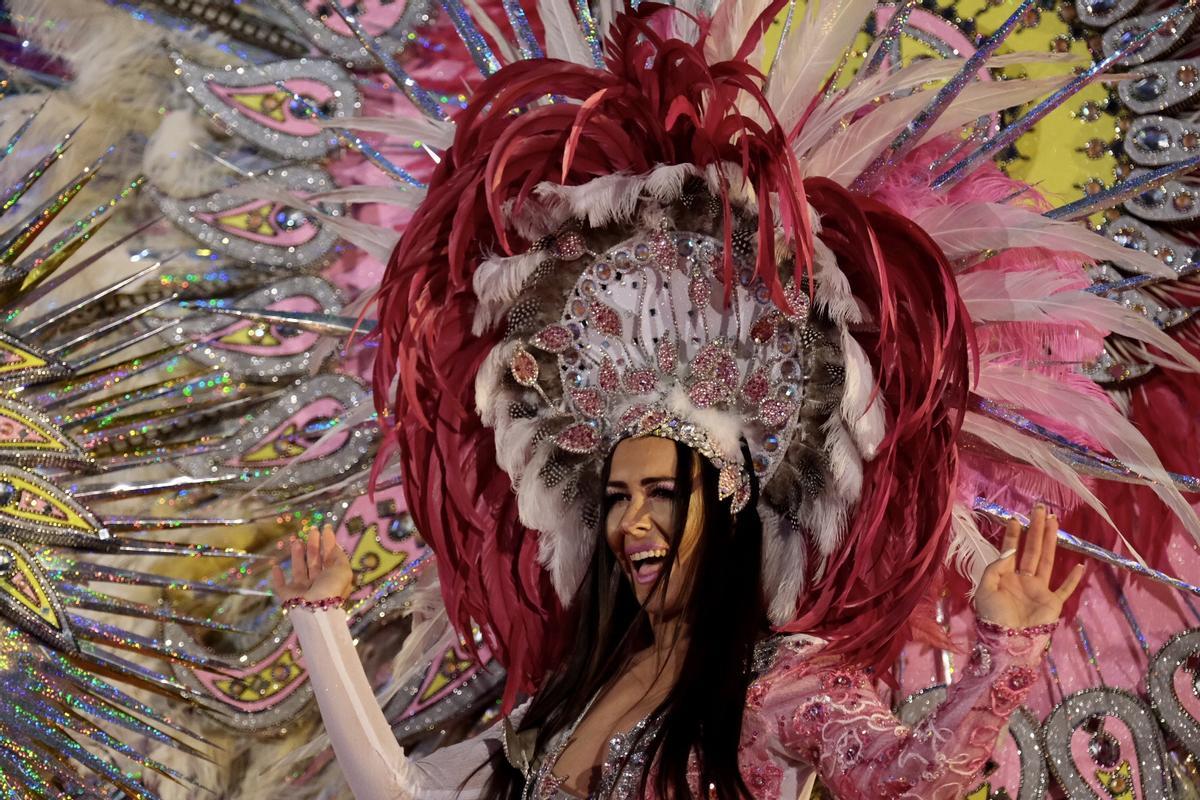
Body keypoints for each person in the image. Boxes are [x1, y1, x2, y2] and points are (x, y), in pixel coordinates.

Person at [272, 435, 1081, 799]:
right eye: (618, 497)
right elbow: (403, 792)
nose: (631, 521)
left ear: (726, 514)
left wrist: (1007, 655)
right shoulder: (576, 694)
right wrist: (319, 618)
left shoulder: (784, 682)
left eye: (661, 494)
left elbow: (904, 784)